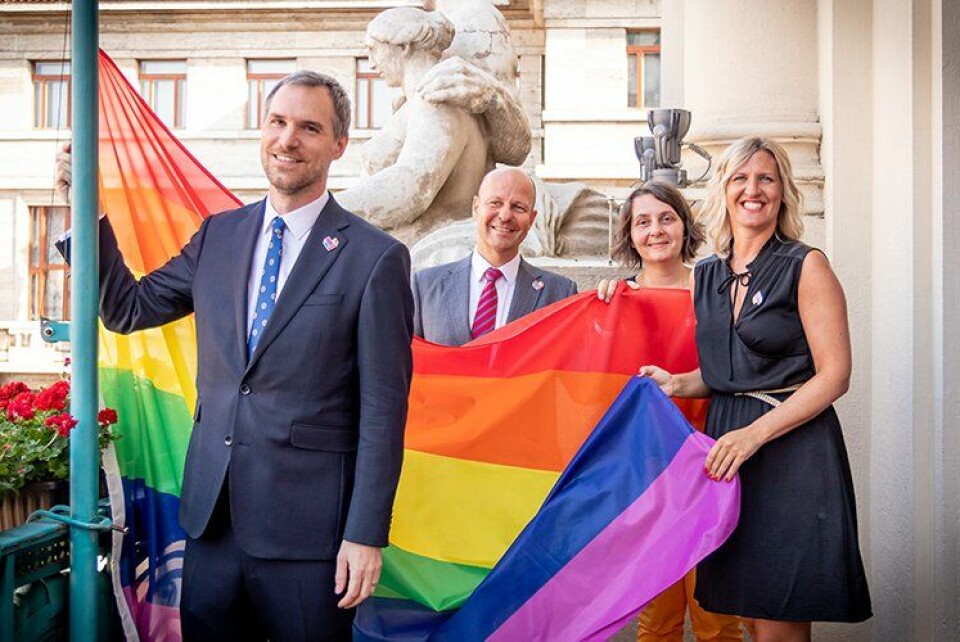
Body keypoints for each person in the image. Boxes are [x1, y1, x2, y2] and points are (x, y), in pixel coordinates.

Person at [56, 71, 414, 641]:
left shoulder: (375, 258)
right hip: (212, 525)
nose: (288, 139)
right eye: (278, 122)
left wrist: (366, 534)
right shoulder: (218, 235)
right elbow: (127, 309)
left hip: (311, 538)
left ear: (338, 145)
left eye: (309, 127)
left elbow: (383, 412)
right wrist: (87, 213)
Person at [640, 138, 872, 642]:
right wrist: (677, 382)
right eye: (740, 179)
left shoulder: (806, 265)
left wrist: (753, 435)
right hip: (729, 457)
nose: (752, 189)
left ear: (783, 191)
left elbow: (836, 376)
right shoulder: (705, 274)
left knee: (779, 624)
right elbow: (728, 371)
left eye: (765, 178)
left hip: (791, 452)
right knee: (745, 612)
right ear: (723, 190)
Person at [598, 181, 742, 642]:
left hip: (713, 463)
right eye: (643, 221)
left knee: (717, 614)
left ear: (684, 225)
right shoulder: (616, 300)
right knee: (656, 620)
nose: (655, 230)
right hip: (648, 477)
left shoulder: (716, 290)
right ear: (629, 234)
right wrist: (601, 307)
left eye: (666, 218)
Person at [335, 7, 492, 245]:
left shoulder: (435, 98)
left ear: (403, 47)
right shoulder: (419, 102)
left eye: (373, 50)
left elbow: (412, 186)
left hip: (420, 249)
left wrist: (322, 208)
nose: (370, 62)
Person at [413, 167, 576, 346]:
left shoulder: (560, 294)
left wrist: (609, 300)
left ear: (531, 219)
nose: (505, 216)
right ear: (476, 208)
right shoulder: (425, 287)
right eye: (495, 203)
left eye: (518, 207)